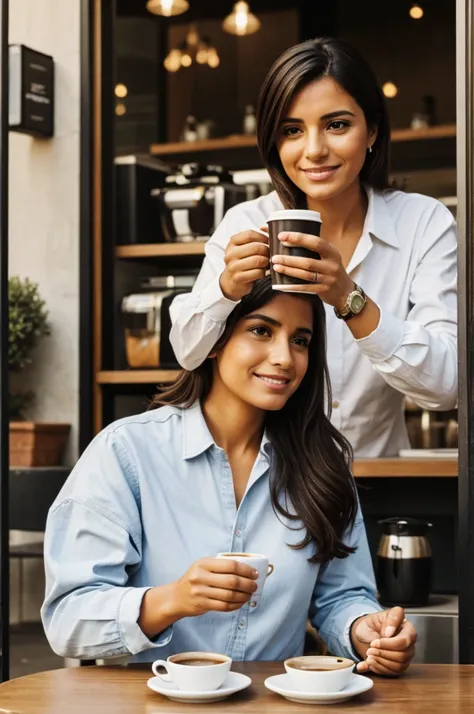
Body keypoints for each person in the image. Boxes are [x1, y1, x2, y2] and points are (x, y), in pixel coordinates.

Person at [41, 278, 416, 676]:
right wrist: (175, 599)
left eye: (300, 341)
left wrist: (365, 631)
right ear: (215, 339)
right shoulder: (127, 453)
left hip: (279, 705)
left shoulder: (323, 463)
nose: (284, 358)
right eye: (261, 331)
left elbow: (343, 595)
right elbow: (68, 619)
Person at [169, 37, 457, 458]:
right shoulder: (247, 222)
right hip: (262, 483)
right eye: (292, 130)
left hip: (373, 481)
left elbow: (446, 387)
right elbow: (188, 352)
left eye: (337, 125)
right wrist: (226, 290)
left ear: (372, 129)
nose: (314, 150)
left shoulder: (422, 223)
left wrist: (349, 299)